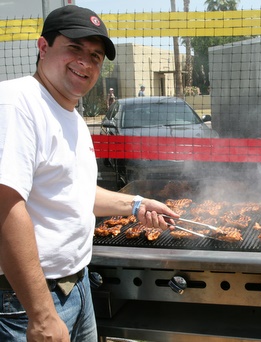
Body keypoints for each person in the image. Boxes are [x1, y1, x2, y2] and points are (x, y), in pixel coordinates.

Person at [0, 5, 178, 342]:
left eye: (96, 56)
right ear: (43, 47)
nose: (86, 62)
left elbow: (75, 192)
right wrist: (40, 315)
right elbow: (6, 205)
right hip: (27, 300)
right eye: (75, 48)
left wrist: (138, 205)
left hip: (76, 285)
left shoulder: (72, 116)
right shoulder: (16, 103)